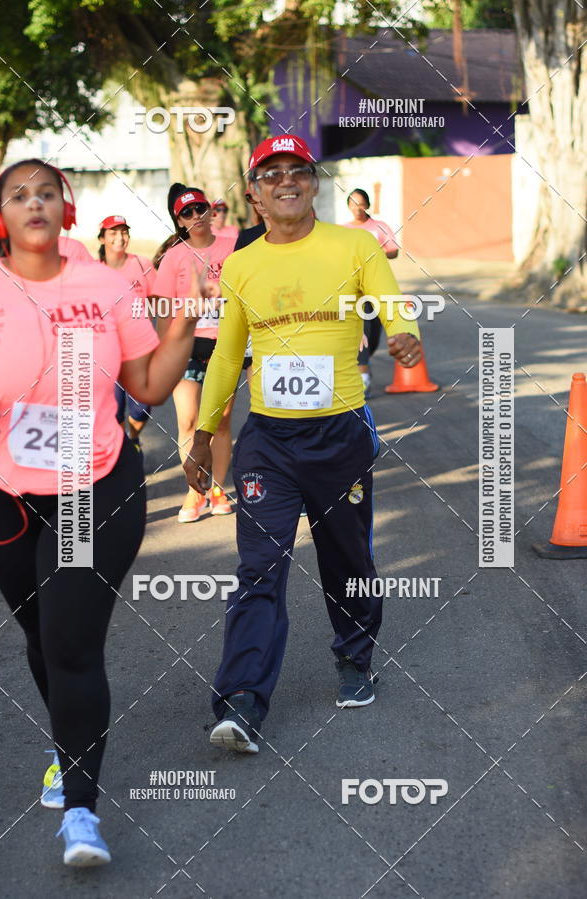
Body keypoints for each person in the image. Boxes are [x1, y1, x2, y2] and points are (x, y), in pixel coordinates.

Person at [0, 159, 198, 865]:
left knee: (70, 642)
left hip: (89, 485)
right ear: (0, 216)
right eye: (18, 194)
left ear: (66, 209)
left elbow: (149, 385)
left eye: (47, 192)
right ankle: (66, 742)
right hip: (4, 493)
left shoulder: (106, 288)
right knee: (40, 635)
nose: (34, 203)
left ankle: (81, 811)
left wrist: (186, 323)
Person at [185, 135, 421, 754]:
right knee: (258, 568)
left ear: (314, 184)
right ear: (255, 194)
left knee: (347, 557)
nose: (286, 180)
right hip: (268, 439)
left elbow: (391, 304)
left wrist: (404, 334)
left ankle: (354, 656)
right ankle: (242, 699)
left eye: (298, 170)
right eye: (272, 174)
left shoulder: (354, 246)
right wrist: (204, 433)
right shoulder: (241, 265)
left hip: (340, 432)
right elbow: (227, 355)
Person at [153, 184, 236, 523]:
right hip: (186, 345)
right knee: (187, 420)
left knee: (220, 421)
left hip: (224, 344)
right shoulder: (174, 256)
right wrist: (163, 352)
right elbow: (162, 308)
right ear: (179, 220)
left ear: (210, 210)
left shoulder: (232, 246)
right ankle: (195, 491)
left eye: (200, 208)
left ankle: (218, 488)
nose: (195, 216)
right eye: (186, 213)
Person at [98, 214, 156, 450]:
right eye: (113, 233)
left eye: (124, 232)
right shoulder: (93, 271)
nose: (120, 238)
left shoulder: (143, 265)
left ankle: (132, 438)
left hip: (140, 353)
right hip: (107, 354)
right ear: (102, 238)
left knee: (142, 407)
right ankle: (123, 446)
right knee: (114, 408)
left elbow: (159, 301)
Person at [343, 188, 400, 397]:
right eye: (352, 203)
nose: (356, 208)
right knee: (363, 328)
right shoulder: (343, 231)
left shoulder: (379, 227)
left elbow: (393, 251)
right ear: (348, 206)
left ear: (367, 205)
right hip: (356, 288)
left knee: (374, 334)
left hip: (377, 285)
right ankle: (363, 375)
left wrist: (377, 251)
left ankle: (363, 361)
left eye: (360, 203)